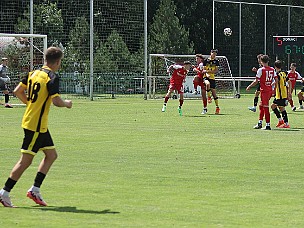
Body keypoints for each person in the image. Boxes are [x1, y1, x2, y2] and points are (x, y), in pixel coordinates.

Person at [0, 47, 73, 208]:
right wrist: (67, 104)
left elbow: (18, 91)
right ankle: (4, 192)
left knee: (51, 155)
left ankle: (35, 189)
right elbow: (56, 102)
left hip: (37, 124)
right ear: (58, 62)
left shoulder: (33, 73)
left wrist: (30, 104)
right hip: (36, 126)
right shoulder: (52, 77)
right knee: (25, 161)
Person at [246, 55, 277, 130]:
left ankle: (268, 125)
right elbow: (276, 80)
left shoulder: (261, 70)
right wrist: (273, 88)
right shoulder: (272, 69)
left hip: (264, 91)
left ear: (261, 61)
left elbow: (256, 81)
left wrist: (249, 86)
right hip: (269, 90)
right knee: (261, 106)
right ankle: (260, 123)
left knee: (265, 107)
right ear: (268, 61)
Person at [271, 60, 291, 128]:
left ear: (275, 66)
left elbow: (277, 82)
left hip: (280, 94)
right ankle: (281, 121)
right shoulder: (284, 73)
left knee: (281, 108)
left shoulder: (277, 74)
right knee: (274, 106)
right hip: (282, 93)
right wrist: (289, 92)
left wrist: (273, 90)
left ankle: (286, 123)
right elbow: (289, 82)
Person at [203, 49, 220, 114]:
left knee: (214, 93)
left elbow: (216, 71)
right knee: (207, 84)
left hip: (212, 78)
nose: (214, 55)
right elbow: (204, 70)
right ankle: (209, 97)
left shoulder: (216, 61)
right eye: (213, 53)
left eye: (215, 54)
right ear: (211, 53)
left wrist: (209, 72)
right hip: (206, 77)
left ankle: (217, 107)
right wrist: (207, 73)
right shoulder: (206, 61)